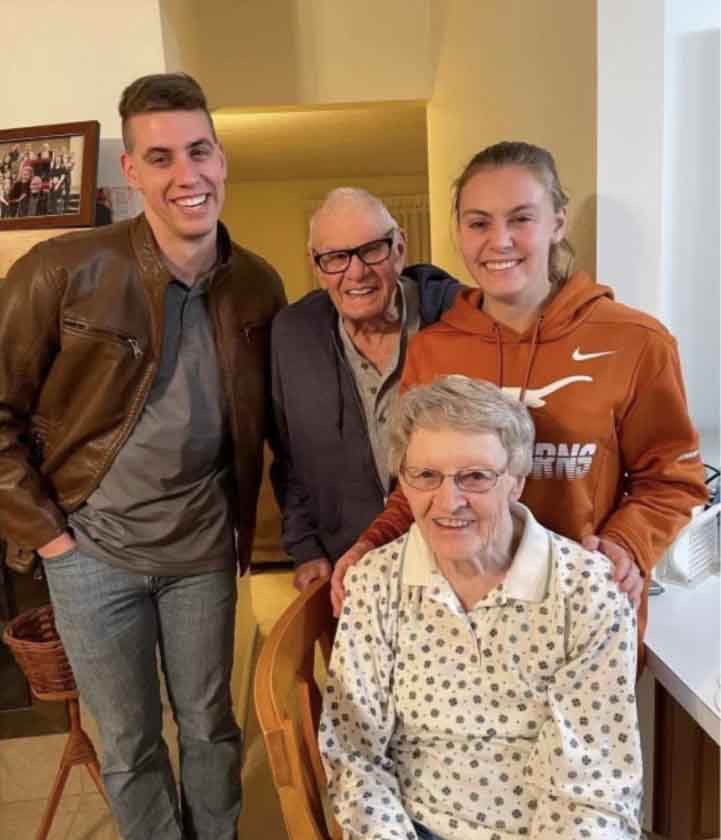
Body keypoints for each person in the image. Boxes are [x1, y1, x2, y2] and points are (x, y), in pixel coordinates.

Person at [0, 72, 286, 840]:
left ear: (222, 159)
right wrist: (53, 539)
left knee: (210, 725)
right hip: (91, 555)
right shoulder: (62, 270)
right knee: (127, 743)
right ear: (131, 170)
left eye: (199, 151)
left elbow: (276, 427)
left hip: (201, 554)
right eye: (160, 158)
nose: (185, 175)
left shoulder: (257, 285)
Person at [331, 141, 707, 646]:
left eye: (521, 218)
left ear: (557, 222)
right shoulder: (433, 350)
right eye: (479, 222)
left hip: (581, 624)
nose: (499, 241)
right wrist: (370, 545)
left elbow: (671, 478)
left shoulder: (637, 342)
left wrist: (626, 544)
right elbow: (417, 486)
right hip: (458, 636)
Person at [320, 375, 643, 840]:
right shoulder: (375, 585)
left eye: (475, 477)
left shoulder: (588, 593)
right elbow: (354, 757)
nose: (449, 501)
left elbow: (594, 786)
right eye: (426, 475)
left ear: (516, 481)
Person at [270, 187, 460, 591]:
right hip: (349, 573)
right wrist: (305, 550)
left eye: (372, 250)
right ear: (317, 266)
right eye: (336, 258)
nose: (356, 273)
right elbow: (289, 459)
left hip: (452, 567)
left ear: (399, 248)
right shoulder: (293, 335)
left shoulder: (456, 320)